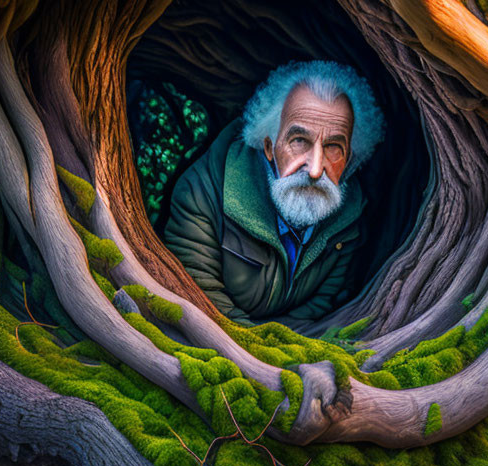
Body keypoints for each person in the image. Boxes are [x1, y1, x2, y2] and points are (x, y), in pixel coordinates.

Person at [163, 60, 385, 324]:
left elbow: (327, 303)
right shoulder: (202, 192)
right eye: (299, 141)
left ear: (349, 158)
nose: (315, 170)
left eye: (334, 146)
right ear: (269, 146)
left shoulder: (350, 218)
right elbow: (197, 294)